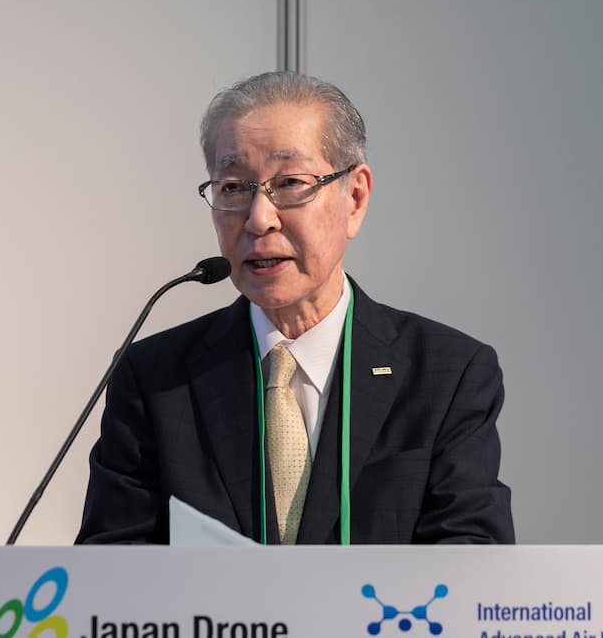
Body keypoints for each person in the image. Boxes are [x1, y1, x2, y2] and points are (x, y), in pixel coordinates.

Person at [76, 71, 514, 545]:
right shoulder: (156, 380)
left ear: (355, 198)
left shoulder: (447, 375)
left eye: (289, 183)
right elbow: (112, 567)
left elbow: (470, 561)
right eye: (233, 188)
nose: (259, 218)